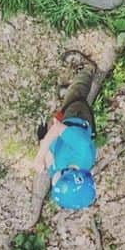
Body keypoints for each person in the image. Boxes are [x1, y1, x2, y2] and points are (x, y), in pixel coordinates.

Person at [33, 50, 99, 210]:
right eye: (56, 182)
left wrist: (45, 156)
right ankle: (88, 70)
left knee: (60, 113)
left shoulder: (60, 171)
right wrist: (40, 154)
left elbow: (51, 163)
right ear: (68, 174)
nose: (53, 180)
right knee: (76, 95)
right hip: (77, 116)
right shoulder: (82, 151)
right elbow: (57, 129)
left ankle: (68, 92)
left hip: (63, 131)